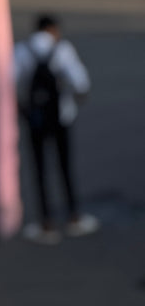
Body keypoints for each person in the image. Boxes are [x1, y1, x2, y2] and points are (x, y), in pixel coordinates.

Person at [14, 14, 99, 245]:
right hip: (61, 118)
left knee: (39, 170)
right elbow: (81, 83)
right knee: (64, 167)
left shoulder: (22, 50)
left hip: (36, 120)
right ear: (51, 29)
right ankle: (73, 217)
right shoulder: (62, 49)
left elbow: (9, 82)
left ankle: (46, 223)